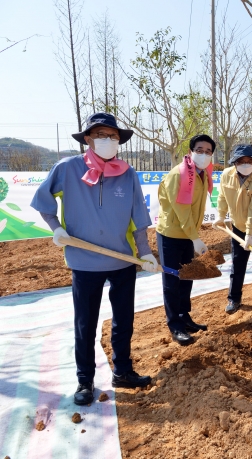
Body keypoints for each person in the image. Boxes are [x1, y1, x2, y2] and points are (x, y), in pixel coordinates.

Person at [30, 112, 157, 406]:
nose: (108, 141)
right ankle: (84, 380)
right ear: (88, 139)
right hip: (84, 261)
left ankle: (123, 370)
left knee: (123, 320)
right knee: (85, 323)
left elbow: (138, 216)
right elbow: (43, 201)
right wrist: (57, 228)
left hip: (123, 259)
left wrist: (145, 252)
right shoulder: (68, 168)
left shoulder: (127, 172)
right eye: (101, 135)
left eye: (113, 136)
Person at [156, 134, 215, 345]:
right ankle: (175, 325)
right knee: (172, 281)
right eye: (200, 150)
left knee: (186, 278)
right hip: (171, 235)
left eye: (208, 151)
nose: (204, 154)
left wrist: (193, 237)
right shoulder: (179, 174)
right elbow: (181, 211)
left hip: (188, 236)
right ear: (191, 151)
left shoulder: (203, 175)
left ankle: (185, 317)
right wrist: (195, 238)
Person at [213, 144, 252, 316]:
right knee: (237, 263)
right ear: (235, 162)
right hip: (237, 226)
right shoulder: (226, 175)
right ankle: (234, 298)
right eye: (242, 161)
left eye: (250, 161)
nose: (246, 164)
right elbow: (223, 196)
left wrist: (249, 234)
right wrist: (220, 215)